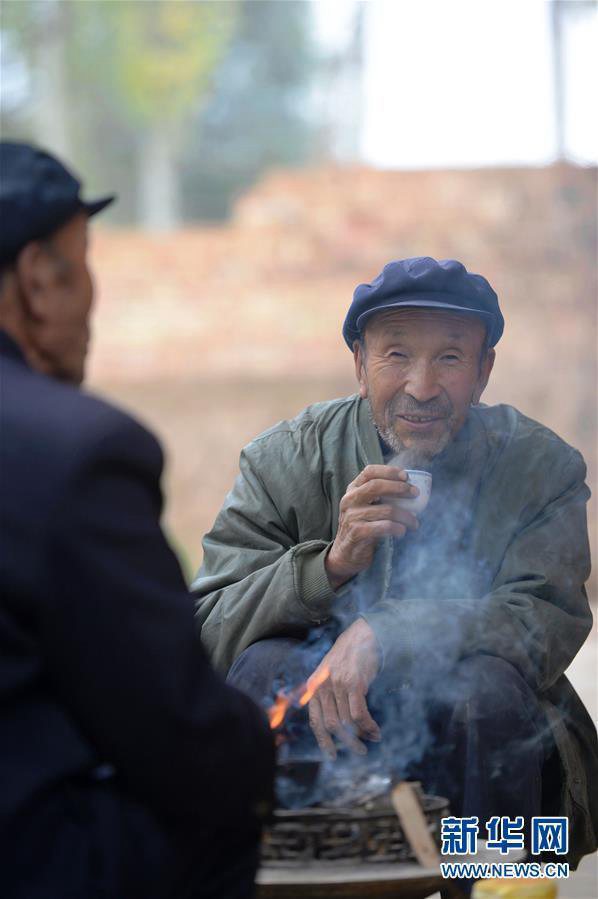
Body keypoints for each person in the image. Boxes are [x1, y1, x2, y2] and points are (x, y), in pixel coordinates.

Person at [193, 256, 597, 866]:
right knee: (263, 669)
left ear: (484, 371)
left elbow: (546, 618)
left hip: (480, 758)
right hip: (327, 747)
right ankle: (292, 870)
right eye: (397, 355)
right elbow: (207, 624)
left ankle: (491, 878)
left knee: (488, 692)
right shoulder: (285, 458)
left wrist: (388, 631)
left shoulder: (542, 468)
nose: (422, 387)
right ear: (360, 364)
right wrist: (329, 567)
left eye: (450, 358)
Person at [0, 141, 274, 899]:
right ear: (39, 281)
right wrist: (264, 756)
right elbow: (177, 726)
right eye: (85, 265)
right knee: (219, 804)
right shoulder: (75, 452)